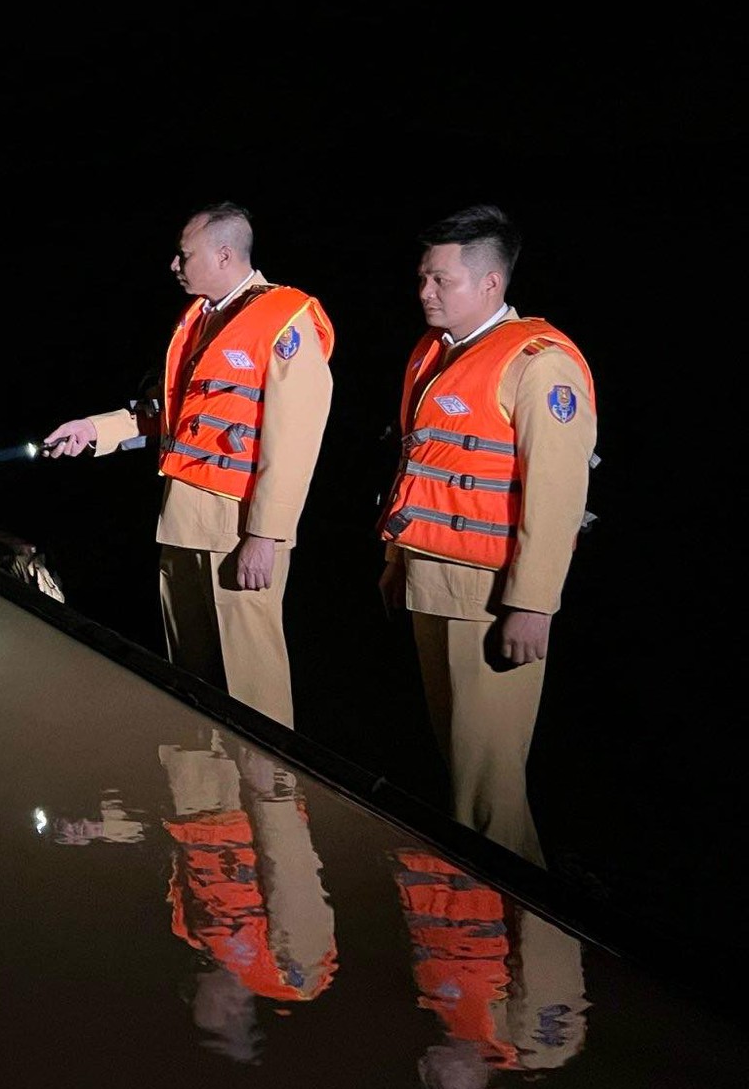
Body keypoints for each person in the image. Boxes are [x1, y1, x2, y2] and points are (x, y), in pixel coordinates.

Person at [42, 203, 334, 728]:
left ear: (223, 255)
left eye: (184, 255)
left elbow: (296, 441)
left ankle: (270, 804)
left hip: (240, 528)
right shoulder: (198, 320)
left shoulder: (284, 320)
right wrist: (95, 430)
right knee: (190, 676)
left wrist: (266, 535)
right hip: (182, 518)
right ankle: (201, 799)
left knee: (252, 685)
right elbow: (167, 410)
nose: (174, 265)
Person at [378, 204, 597, 866]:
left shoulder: (539, 363)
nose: (425, 293)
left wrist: (533, 603)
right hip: (430, 580)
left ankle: (527, 944)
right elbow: (420, 467)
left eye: (441, 280)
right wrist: (396, 560)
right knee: (464, 778)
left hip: (491, 595)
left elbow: (557, 498)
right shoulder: (432, 354)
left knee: (488, 788)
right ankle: (490, 943)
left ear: (491, 283)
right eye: (423, 278)